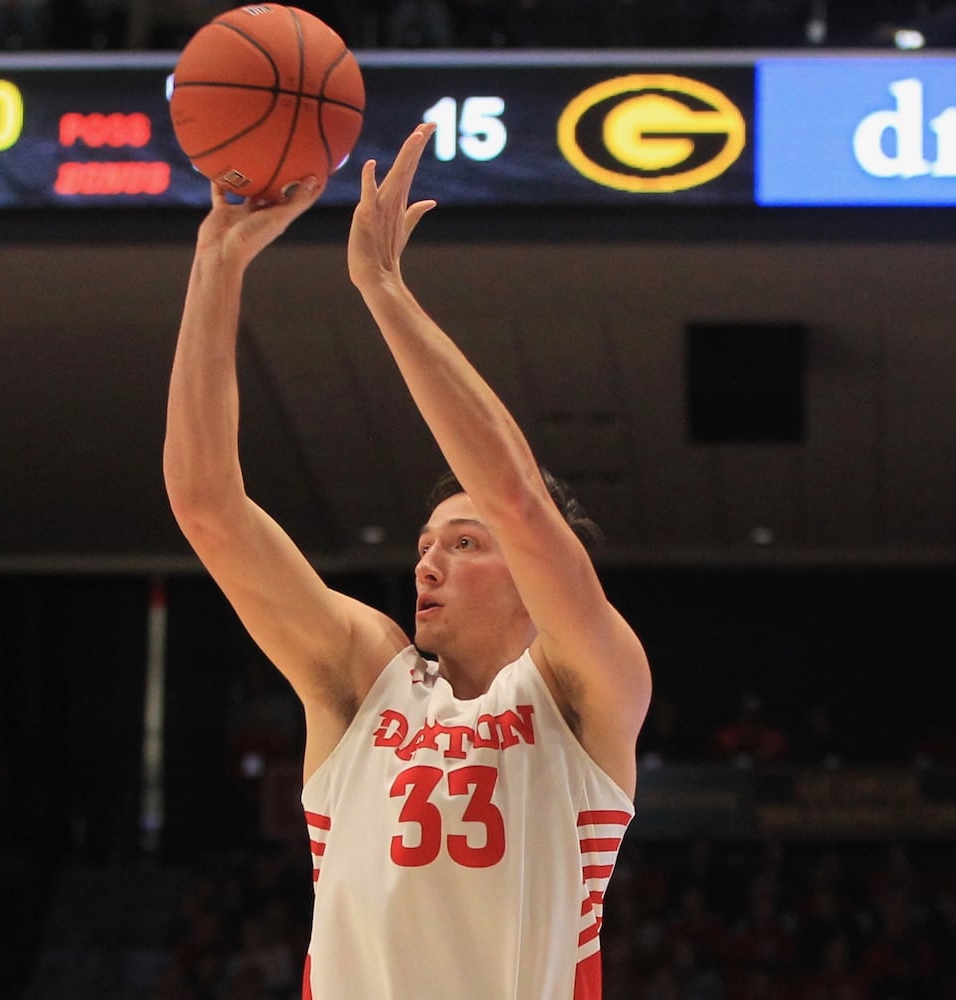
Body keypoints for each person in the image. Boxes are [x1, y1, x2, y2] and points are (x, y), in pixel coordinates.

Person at [163, 122, 652, 998]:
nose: (427, 566)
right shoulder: (363, 680)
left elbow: (515, 499)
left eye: (463, 546)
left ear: (538, 578)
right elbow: (206, 506)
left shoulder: (585, 689)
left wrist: (383, 289)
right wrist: (218, 264)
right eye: (425, 546)